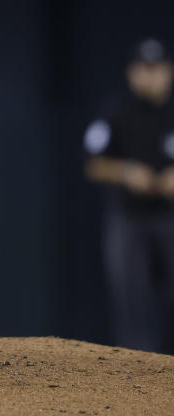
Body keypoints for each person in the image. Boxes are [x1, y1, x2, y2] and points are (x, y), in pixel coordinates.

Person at [84, 38, 174, 353]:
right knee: (132, 303)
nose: (151, 75)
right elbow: (93, 164)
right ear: (132, 73)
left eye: (158, 68)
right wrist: (126, 172)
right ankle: (136, 388)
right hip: (129, 218)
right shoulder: (116, 111)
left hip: (169, 216)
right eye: (144, 69)